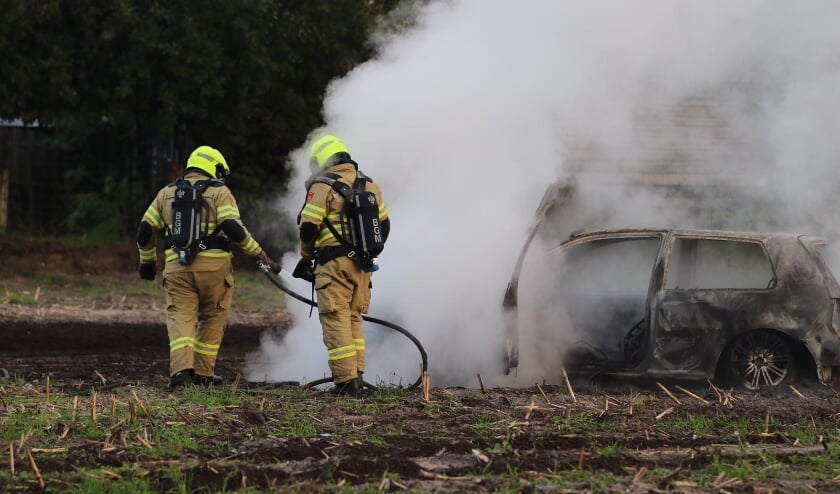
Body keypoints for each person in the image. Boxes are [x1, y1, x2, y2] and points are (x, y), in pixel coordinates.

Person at [136, 145, 279, 390]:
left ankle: (181, 373)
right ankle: (203, 373)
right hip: (214, 269)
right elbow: (233, 228)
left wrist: (147, 262)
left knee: (181, 318)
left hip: (176, 270)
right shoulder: (220, 192)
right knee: (213, 317)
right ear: (213, 168)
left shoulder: (166, 193)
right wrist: (259, 253)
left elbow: (144, 231)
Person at [294, 134, 390, 396]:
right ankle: (356, 378)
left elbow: (309, 226)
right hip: (363, 267)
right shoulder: (370, 185)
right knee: (353, 319)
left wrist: (306, 255)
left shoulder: (323, 185)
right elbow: (384, 226)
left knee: (336, 319)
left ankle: (346, 383)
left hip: (333, 264)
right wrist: (367, 253)